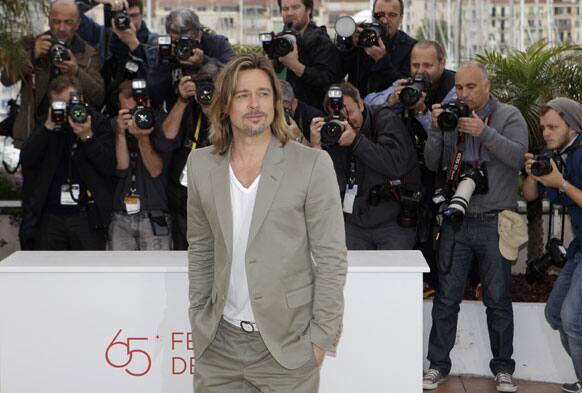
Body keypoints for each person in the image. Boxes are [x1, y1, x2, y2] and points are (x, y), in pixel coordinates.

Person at [186, 53, 347, 393]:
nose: (254, 103)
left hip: (288, 348)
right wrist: (200, 314)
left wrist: (320, 337)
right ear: (225, 104)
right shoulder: (201, 165)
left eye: (263, 93)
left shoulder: (312, 164)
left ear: (277, 101)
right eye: (243, 95)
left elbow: (331, 257)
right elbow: (200, 248)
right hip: (219, 346)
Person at [422, 62, 528, 392]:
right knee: (446, 298)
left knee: (497, 299)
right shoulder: (453, 116)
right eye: (460, 88)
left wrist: (484, 131)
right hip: (457, 219)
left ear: (487, 85)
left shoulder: (509, 115)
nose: (464, 93)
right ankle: (437, 365)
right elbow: (432, 163)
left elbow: (517, 156)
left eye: (470, 87)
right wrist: (438, 128)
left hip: (495, 220)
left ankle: (503, 369)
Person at [365, 40, 457, 290]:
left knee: (432, 233)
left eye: (428, 65)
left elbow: (451, 134)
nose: (420, 71)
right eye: (415, 64)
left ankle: (434, 282)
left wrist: (421, 112)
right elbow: (365, 105)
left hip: (441, 173)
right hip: (407, 172)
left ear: (442, 63)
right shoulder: (406, 85)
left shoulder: (452, 88)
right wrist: (392, 98)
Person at [310, 82, 419, 250]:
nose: (347, 121)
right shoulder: (334, 133)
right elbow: (326, 186)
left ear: (361, 104)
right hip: (355, 220)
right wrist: (317, 146)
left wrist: (356, 142)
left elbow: (396, 165)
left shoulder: (384, 119)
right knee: (350, 274)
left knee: (393, 276)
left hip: (393, 221)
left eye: (350, 112)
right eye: (340, 116)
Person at [522, 97, 582, 393]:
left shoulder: (581, 154)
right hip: (579, 250)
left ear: (571, 126)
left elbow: (566, 191)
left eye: (553, 126)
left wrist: (562, 184)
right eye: (543, 126)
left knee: (572, 319)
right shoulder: (555, 154)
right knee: (555, 314)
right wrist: (533, 172)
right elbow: (531, 195)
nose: (545, 132)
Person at [19, 75, 115, 250]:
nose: (66, 109)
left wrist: (87, 137)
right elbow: (26, 159)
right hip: (50, 217)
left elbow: (108, 166)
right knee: (50, 272)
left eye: (69, 103)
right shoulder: (46, 124)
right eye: (59, 105)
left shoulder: (97, 122)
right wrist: (48, 127)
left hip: (87, 215)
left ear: (81, 99)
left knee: (88, 272)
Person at [0, 0, 104, 148]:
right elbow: (6, 79)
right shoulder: (32, 43)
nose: (61, 28)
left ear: (78, 24)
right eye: (56, 22)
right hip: (33, 133)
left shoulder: (88, 52)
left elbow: (98, 96)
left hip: (73, 136)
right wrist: (33, 55)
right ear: (49, 21)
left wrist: (76, 72)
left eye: (68, 22)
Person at [157, 63, 220, 250]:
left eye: (212, 87)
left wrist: (212, 111)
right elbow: (165, 139)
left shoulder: (230, 112)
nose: (206, 93)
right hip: (183, 200)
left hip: (217, 200)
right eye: (202, 86)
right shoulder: (188, 108)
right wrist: (183, 100)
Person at [109, 80, 170, 250]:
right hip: (121, 214)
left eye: (138, 110)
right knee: (120, 275)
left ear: (147, 103)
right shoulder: (113, 126)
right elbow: (121, 167)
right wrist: (121, 133)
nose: (136, 117)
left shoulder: (161, 124)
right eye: (128, 112)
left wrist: (143, 137)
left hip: (154, 213)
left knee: (157, 274)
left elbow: (155, 170)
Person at [76, 0, 158, 115]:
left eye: (133, 16)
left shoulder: (154, 43)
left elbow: (157, 84)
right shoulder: (104, 37)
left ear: (142, 15)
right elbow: (70, 15)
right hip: (109, 114)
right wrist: (94, 1)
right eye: (124, 16)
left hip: (146, 112)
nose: (128, 21)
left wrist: (134, 44)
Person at [147, 8, 234, 110]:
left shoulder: (217, 44)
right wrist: (164, 62)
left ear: (199, 34)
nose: (182, 47)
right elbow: (153, 96)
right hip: (179, 117)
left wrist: (203, 62)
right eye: (176, 41)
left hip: (214, 114)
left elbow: (234, 77)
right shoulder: (166, 51)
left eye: (187, 41)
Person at [274, 0, 343, 110]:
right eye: (285, 9)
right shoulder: (279, 40)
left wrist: (295, 66)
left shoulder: (321, 41)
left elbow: (329, 82)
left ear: (309, 10)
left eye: (295, 7)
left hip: (313, 115)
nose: (289, 13)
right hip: (282, 113)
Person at [340, 0, 416, 98]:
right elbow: (336, 74)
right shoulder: (360, 38)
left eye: (392, 15)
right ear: (372, 16)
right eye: (380, 15)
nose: (384, 20)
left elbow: (406, 89)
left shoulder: (411, 47)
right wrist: (348, 44)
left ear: (401, 19)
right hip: (357, 107)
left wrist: (382, 61)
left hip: (391, 110)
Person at [279, 79, 323, 144]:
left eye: (283, 109)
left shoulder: (314, 119)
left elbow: (317, 151)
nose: (278, 114)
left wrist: (298, 136)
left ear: (294, 103)